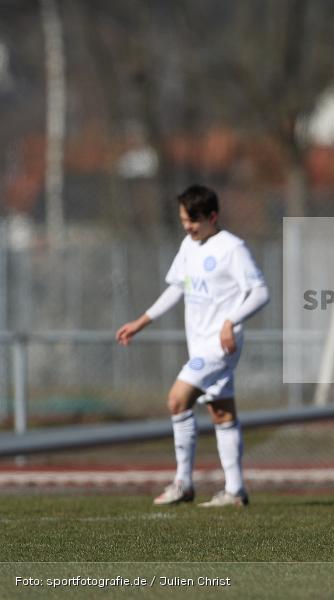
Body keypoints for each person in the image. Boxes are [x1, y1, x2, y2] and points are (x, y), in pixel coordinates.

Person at [116, 185, 270, 507]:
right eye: (184, 220)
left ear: (212, 217)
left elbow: (260, 292)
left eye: (193, 221)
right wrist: (141, 322)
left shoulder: (232, 248)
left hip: (219, 345)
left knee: (177, 399)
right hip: (198, 344)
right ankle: (235, 490)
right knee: (221, 412)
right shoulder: (189, 245)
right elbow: (177, 288)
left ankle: (183, 483)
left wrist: (230, 321)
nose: (187, 227)